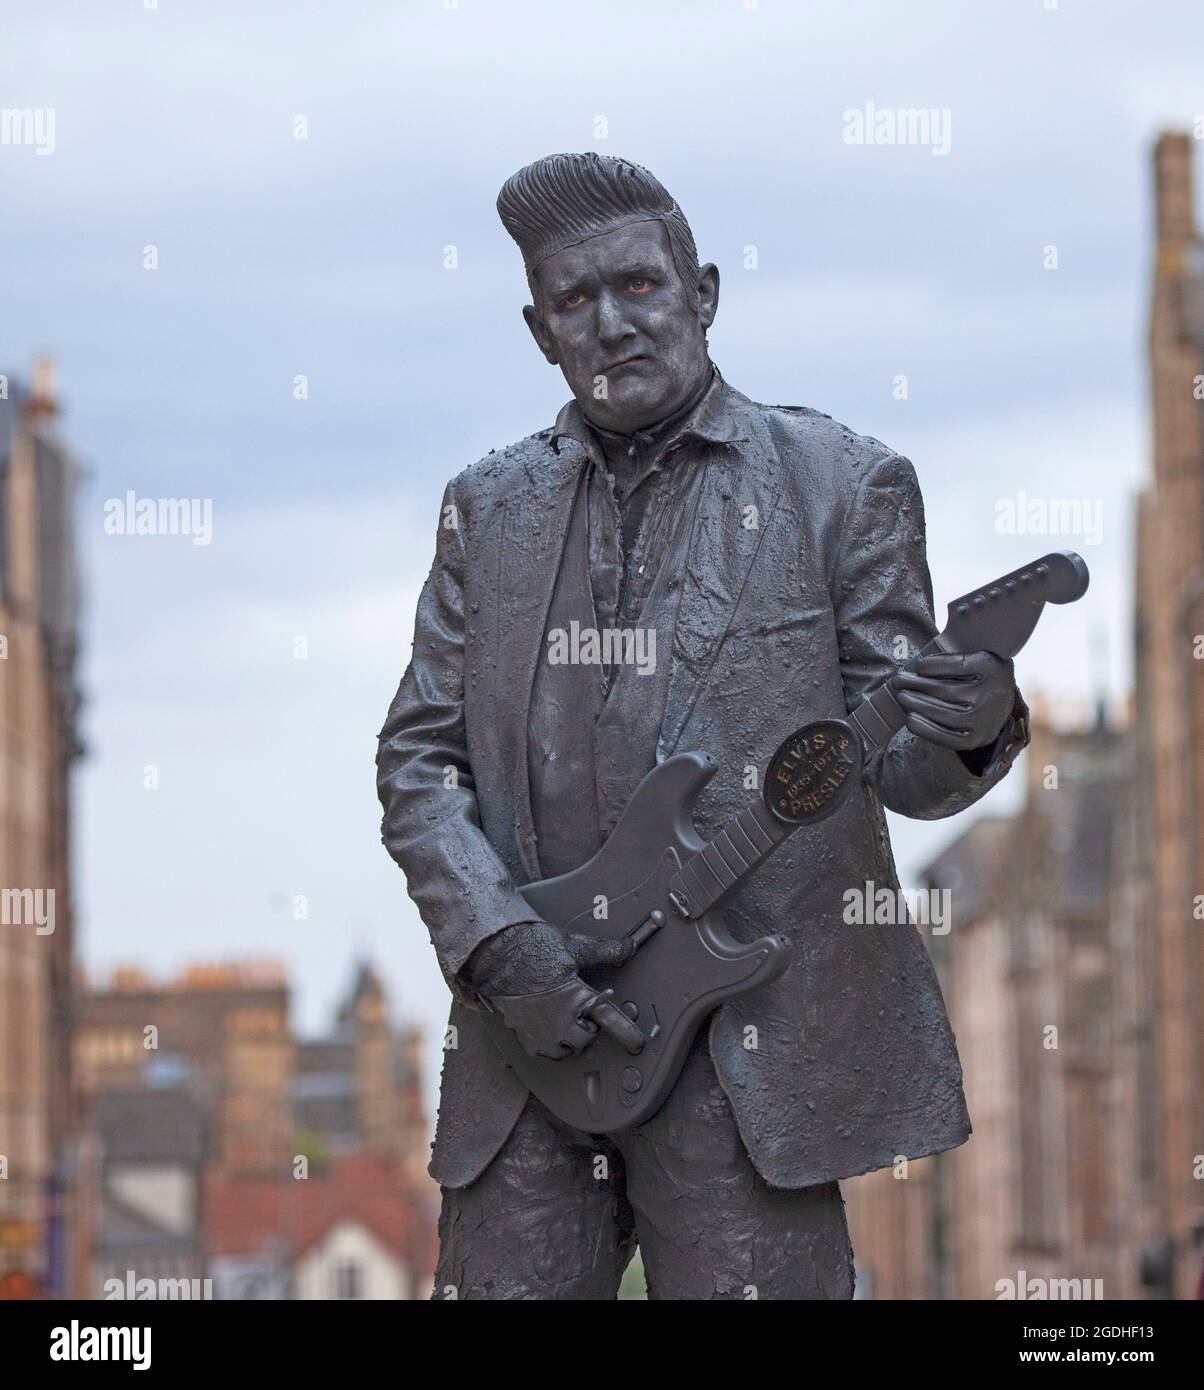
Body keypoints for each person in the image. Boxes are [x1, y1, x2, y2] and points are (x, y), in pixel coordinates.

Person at [377, 152, 1029, 1299]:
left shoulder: (843, 483)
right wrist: (498, 947)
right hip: (529, 1048)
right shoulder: (486, 508)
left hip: (751, 1063)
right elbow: (419, 761)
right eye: (575, 301)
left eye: (639, 285)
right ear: (540, 332)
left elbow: (908, 767)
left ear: (704, 293)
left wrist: (969, 721)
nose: (613, 323)